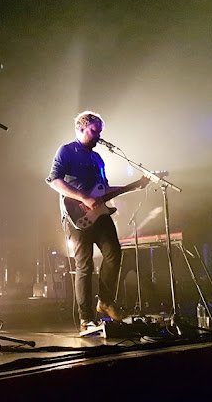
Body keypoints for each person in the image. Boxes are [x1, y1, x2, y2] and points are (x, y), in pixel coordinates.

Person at [46, 111, 145, 331]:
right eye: (94, 131)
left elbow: (104, 189)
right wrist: (83, 198)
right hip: (76, 216)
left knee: (114, 254)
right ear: (81, 129)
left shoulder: (97, 158)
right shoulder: (66, 151)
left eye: (99, 131)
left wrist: (134, 186)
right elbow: (54, 180)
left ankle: (106, 302)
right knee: (85, 264)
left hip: (100, 214)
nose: (98, 136)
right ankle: (86, 319)